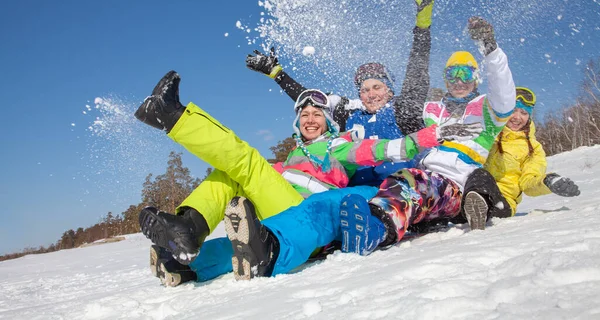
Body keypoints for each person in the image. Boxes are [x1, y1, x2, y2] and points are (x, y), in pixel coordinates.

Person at [134, 71, 480, 285]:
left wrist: (431, 135)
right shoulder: (292, 158)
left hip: (305, 208)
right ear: (296, 124)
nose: (310, 119)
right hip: (279, 202)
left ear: (329, 122)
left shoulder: (340, 145)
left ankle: (174, 118)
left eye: (317, 114)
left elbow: (385, 150)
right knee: (230, 183)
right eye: (304, 115)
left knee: (246, 164)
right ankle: (187, 245)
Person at [334, 16, 517, 260]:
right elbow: (407, 94)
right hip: (427, 179)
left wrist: (490, 49)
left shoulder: (487, 109)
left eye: (466, 73)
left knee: (412, 182)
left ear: (477, 78)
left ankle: (375, 229)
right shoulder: (431, 109)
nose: (460, 80)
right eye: (453, 74)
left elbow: (504, 92)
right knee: (410, 183)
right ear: (445, 78)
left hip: (455, 183)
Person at [246, 0, 438, 185]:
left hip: (401, 190)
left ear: (389, 90)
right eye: (364, 90)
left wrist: (422, 27)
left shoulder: (402, 110)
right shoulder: (351, 114)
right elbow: (311, 100)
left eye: (377, 87)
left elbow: (417, 74)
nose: (371, 94)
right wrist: (277, 74)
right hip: (354, 196)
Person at [484, 87, 580, 216]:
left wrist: (548, 181)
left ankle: (478, 208)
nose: (517, 117)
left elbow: (528, 183)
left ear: (529, 116)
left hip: (502, 201)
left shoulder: (533, 149)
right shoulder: (486, 134)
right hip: (471, 191)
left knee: (481, 182)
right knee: (478, 176)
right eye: (513, 111)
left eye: (524, 112)